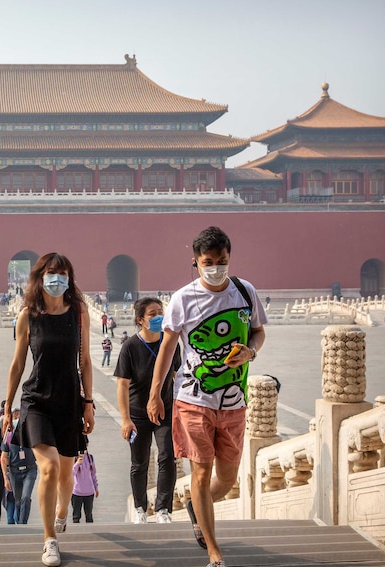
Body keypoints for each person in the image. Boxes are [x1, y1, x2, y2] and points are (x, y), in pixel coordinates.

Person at [148, 226, 267, 567]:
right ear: (196, 262)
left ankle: (195, 507)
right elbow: (167, 349)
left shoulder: (245, 292)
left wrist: (251, 353)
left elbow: (258, 332)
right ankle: (214, 550)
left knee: (227, 478)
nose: (216, 267)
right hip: (193, 399)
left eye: (222, 260)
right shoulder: (183, 299)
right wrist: (156, 394)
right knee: (200, 474)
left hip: (234, 402)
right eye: (209, 261)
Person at [4, 252, 95, 567]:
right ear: (40, 277)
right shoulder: (28, 316)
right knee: (49, 467)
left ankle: (61, 511)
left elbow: (84, 361)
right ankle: (49, 540)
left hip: (69, 401)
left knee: (66, 475)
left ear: (69, 278)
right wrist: (7, 406)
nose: (58, 278)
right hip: (37, 400)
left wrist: (89, 403)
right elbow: (17, 365)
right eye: (52, 272)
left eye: (63, 273)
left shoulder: (79, 313)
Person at [115, 296, 180, 525]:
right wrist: (125, 419)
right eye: (152, 314)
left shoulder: (170, 342)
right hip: (138, 415)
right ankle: (140, 508)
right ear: (141, 320)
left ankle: (163, 509)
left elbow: (176, 376)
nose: (158, 317)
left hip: (165, 411)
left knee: (167, 457)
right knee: (139, 462)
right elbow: (122, 385)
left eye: (160, 312)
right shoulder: (130, 347)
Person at [1, 407, 38, 525]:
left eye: (19, 417)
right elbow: (3, 458)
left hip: (30, 470)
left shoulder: (31, 434)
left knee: (25, 497)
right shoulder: (9, 435)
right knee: (17, 501)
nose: (17, 420)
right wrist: (6, 478)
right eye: (15, 417)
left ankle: (23, 524)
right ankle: (19, 522)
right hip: (14, 471)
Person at [71, 450, 98, 523]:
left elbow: (93, 474)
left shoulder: (90, 458)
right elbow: (71, 474)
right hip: (76, 492)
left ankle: (91, 532)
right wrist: (77, 464)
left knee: (89, 516)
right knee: (76, 516)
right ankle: (76, 532)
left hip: (89, 492)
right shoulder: (73, 458)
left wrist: (96, 488)